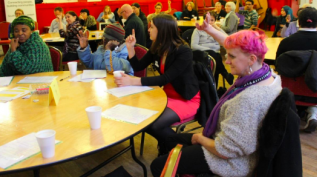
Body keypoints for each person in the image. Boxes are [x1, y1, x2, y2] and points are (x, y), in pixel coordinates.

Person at [151, 14, 281, 177]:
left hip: (231, 162)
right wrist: (210, 29)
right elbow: (235, 46)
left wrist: (199, 138)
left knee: (158, 166)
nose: (226, 61)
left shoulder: (247, 100)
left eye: (231, 57)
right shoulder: (268, 74)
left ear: (251, 59)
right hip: (235, 148)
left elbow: (225, 150)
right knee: (170, 141)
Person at [115, 14, 200, 148]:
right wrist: (130, 48)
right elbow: (138, 66)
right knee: (142, 119)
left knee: (154, 124)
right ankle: (173, 147)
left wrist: (132, 81)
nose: (148, 30)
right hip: (165, 95)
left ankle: (184, 149)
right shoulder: (158, 47)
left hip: (185, 98)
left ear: (162, 30)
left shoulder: (183, 51)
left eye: (152, 27)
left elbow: (165, 78)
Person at [276, 7, 317, 132]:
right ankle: (312, 114)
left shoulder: (286, 43)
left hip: (290, 90)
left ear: (298, 22)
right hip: (315, 91)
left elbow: (279, 66)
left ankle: (291, 113)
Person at [191, 12, 234, 86]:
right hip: (201, 53)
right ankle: (225, 74)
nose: (209, 22)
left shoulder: (216, 31)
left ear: (215, 21)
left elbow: (228, 41)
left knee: (215, 59)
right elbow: (193, 46)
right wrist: (209, 50)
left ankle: (213, 88)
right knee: (215, 57)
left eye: (212, 20)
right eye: (207, 20)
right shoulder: (197, 30)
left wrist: (218, 28)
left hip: (215, 55)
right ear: (204, 20)